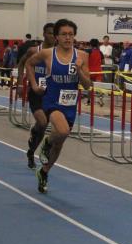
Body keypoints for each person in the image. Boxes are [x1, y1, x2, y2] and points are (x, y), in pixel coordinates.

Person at [24, 19, 92, 193]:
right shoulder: (47, 54)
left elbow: (87, 85)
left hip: (70, 105)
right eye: (64, 34)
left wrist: (79, 70)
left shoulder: (82, 56)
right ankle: (46, 142)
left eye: (71, 34)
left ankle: (44, 172)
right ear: (57, 37)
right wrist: (33, 85)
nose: (68, 38)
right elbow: (29, 64)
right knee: (62, 131)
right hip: (52, 101)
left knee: (59, 143)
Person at [17, 23, 56, 169]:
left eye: (55, 34)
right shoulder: (34, 50)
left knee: (45, 128)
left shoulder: (58, 53)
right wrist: (20, 84)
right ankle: (34, 136)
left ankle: (31, 151)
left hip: (51, 94)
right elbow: (21, 64)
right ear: (44, 34)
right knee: (43, 122)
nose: (53, 36)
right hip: (35, 92)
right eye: (50, 33)